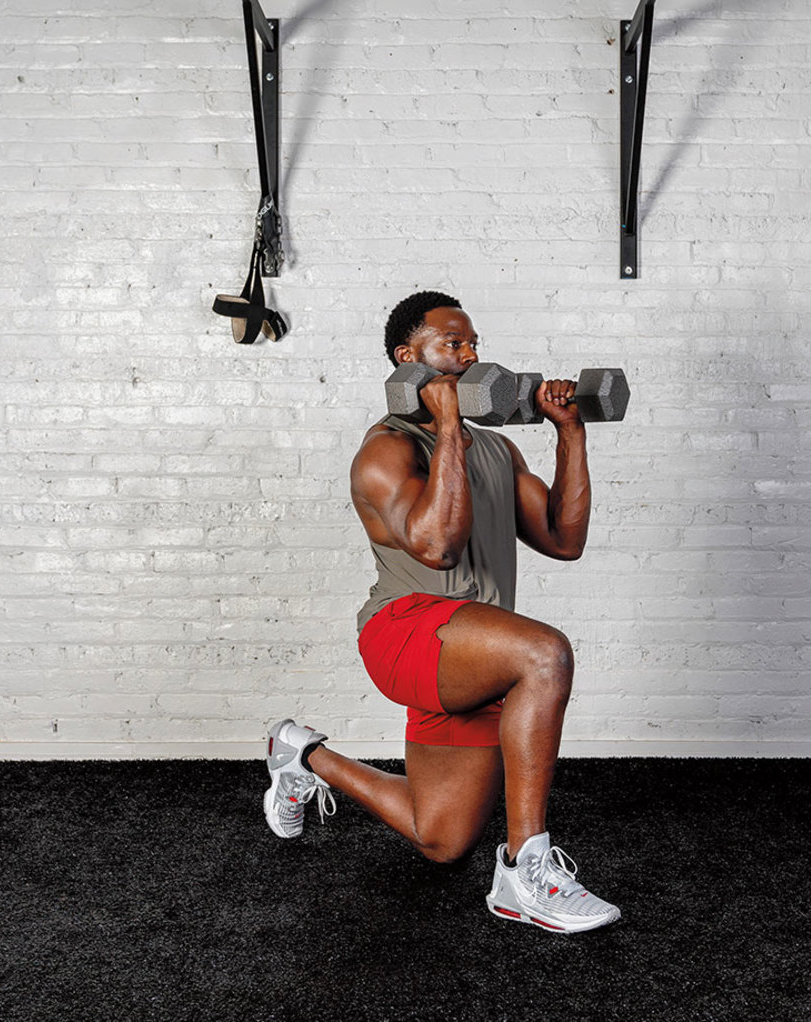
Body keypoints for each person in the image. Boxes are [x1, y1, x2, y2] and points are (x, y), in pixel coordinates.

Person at [263, 291, 620, 933]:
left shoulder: (496, 451)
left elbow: (565, 541)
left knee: (442, 838)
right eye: (453, 345)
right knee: (545, 654)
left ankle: (300, 755)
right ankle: (525, 870)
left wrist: (571, 434)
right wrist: (448, 425)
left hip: (476, 655)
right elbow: (436, 544)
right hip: (405, 633)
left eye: (474, 343)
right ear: (409, 359)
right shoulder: (384, 452)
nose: (471, 355)